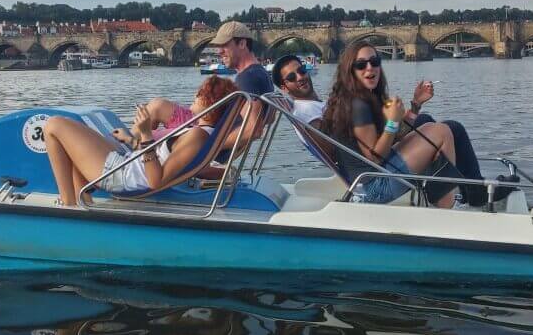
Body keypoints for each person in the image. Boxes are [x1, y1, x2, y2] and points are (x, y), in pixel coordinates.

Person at [272, 53, 495, 206]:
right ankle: (455, 199)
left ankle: (466, 191)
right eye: (292, 77)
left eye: (301, 70)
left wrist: (414, 106)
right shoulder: (307, 114)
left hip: (374, 164)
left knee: (428, 121)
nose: (300, 77)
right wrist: (380, 121)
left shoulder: (317, 106)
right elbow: (339, 150)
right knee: (445, 130)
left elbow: (362, 140)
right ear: (284, 86)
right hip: (371, 178)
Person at [43, 76, 238, 206]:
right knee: (74, 136)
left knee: (53, 125)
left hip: (122, 176)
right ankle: (82, 199)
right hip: (127, 165)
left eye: (202, 94)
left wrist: (145, 134)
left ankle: (68, 204)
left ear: (212, 105)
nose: (196, 95)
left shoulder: (197, 136)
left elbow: (155, 181)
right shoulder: (202, 133)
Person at [319, 42, 459, 207]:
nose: (370, 68)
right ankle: (447, 207)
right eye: (361, 65)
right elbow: (374, 158)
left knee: (430, 126)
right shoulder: (357, 106)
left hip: (371, 179)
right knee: (442, 132)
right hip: (373, 188)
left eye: (374, 62)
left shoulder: (360, 97)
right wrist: (392, 122)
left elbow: (393, 138)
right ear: (350, 70)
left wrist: (416, 104)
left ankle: (445, 199)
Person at [207, 21, 274, 146]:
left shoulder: (248, 78)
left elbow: (254, 129)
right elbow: (270, 118)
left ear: (242, 44)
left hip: (209, 150)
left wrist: (212, 145)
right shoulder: (261, 73)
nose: (219, 51)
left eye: (224, 45)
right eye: (218, 46)